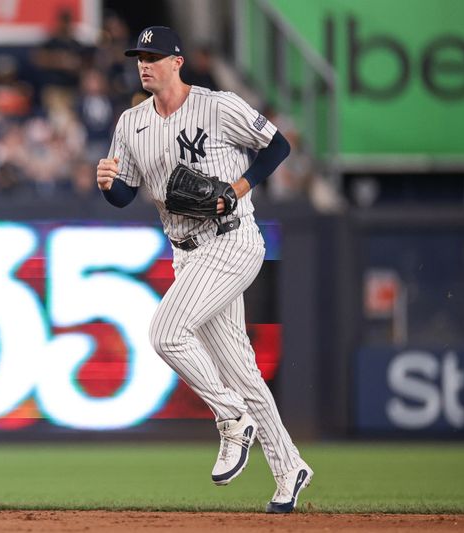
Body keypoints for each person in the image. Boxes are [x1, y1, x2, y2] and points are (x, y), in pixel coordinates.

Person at [95, 26, 312, 514]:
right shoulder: (131, 123)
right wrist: (108, 185)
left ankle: (230, 416)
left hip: (233, 239)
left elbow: (277, 146)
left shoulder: (218, 105)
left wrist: (237, 187)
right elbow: (126, 194)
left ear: (177, 62)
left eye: (153, 56)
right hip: (187, 252)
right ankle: (289, 466)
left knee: (167, 332)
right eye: (138, 57)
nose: (143, 64)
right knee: (241, 369)